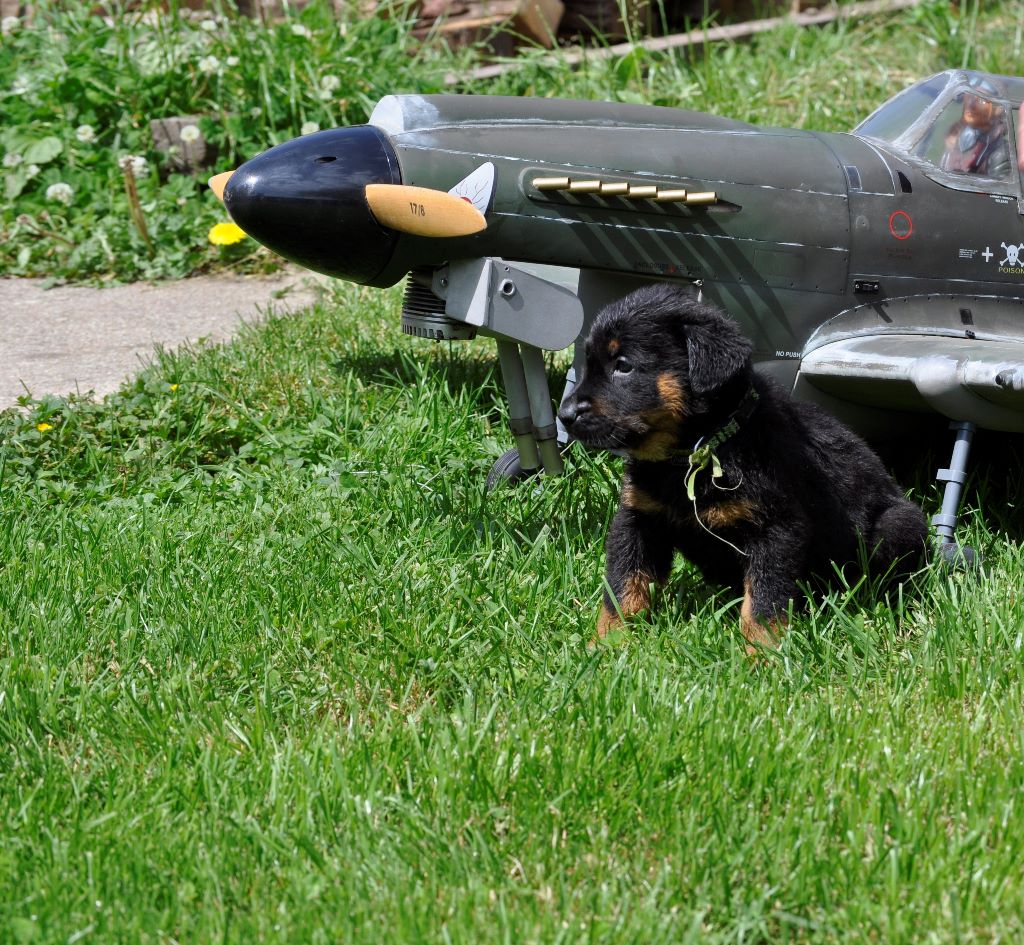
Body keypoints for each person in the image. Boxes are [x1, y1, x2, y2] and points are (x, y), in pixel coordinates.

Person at [941, 80, 1011, 179]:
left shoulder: (1001, 153)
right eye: (969, 97)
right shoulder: (956, 138)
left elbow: (998, 191)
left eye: (981, 100)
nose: (971, 105)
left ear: (998, 109)